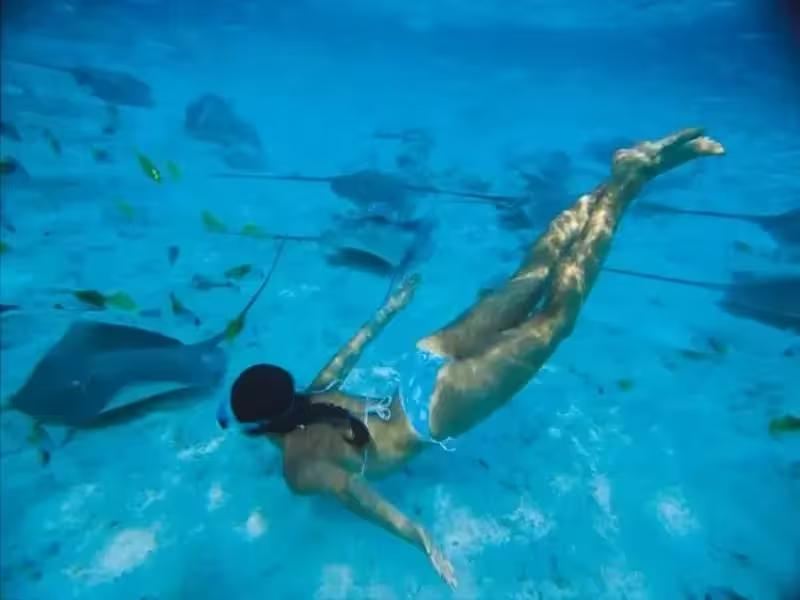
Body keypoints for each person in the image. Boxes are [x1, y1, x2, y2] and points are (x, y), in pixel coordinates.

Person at [216, 129, 725, 588]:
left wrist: (421, 539)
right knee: (529, 277)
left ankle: (627, 181)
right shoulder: (314, 393)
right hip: (421, 362)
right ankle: (619, 178)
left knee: (555, 319)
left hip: (431, 411)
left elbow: (357, 497)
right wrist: (390, 309)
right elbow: (350, 351)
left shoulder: (299, 468)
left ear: (257, 427)